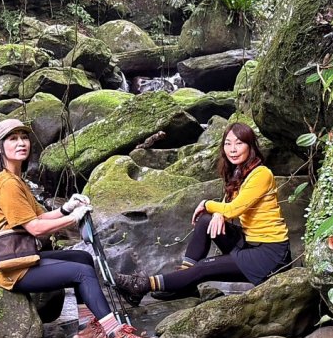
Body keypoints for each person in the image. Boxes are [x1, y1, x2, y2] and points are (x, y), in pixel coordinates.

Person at [0, 118, 160, 338]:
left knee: (81, 257)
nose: (21, 143)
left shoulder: (16, 180)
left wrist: (68, 208)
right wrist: (73, 219)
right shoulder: (5, 184)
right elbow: (36, 229)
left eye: (23, 137)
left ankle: (90, 329)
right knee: (81, 272)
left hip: (22, 257)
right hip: (13, 269)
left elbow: (39, 215)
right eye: (12, 139)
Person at [114, 121, 290, 304]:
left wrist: (207, 204)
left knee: (202, 268)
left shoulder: (261, 174)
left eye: (239, 143)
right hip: (249, 243)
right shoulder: (239, 172)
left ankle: (142, 285)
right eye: (228, 144)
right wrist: (217, 214)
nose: (233, 149)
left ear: (250, 146)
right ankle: (184, 283)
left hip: (269, 254)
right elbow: (226, 206)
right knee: (206, 220)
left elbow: (233, 209)